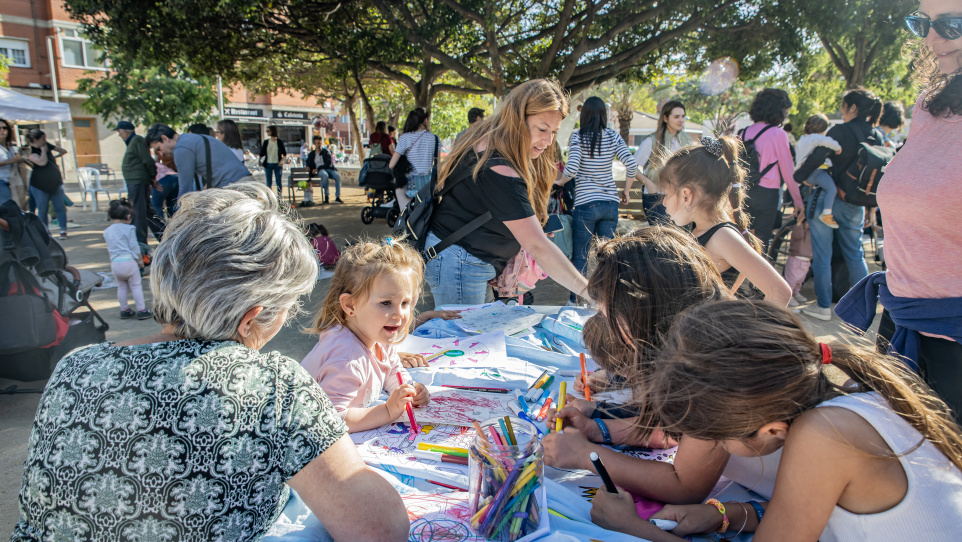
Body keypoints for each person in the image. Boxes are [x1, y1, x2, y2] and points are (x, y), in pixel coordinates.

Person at [10, 183, 410, 542]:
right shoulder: (274, 385)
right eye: (287, 307)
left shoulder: (74, 366)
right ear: (251, 319)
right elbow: (380, 529)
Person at [591, 300, 962, 541]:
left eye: (719, 441)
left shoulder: (824, 436)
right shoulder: (849, 392)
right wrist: (723, 515)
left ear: (771, 430)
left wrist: (633, 526)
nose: (717, 450)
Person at [544, 229, 734, 525]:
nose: (603, 320)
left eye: (608, 313)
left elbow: (685, 486)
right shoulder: (685, 352)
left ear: (643, 316)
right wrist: (595, 430)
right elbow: (668, 432)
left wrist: (587, 455)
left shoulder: (711, 373)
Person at [846, 2, 962, 418]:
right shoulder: (929, 104)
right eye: (922, 24)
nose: (932, 39)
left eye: (951, 24)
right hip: (903, 326)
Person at [423, 79, 590, 305]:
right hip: (461, 262)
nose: (548, 141)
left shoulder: (489, 138)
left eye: (554, 131)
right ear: (518, 119)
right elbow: (538, 245)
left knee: (476, 336)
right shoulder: (499, 168)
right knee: (464, 338)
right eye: (542, 129)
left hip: (468, 260)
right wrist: (590, 293)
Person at [301, 238, 431, 433]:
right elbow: (331, 420)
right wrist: (387, 411)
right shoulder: (346, 358)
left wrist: (408, 389)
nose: (399, 314)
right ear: (351, 306)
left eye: (405, 303)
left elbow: (393, 369)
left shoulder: (378, 335)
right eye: (386, 303)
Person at [657, 136, 792, 305]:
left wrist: (748, 330)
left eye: (666, 195)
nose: (663, 202)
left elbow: (779, 291)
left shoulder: (723, 237)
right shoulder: (704, 230)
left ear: (686, 195)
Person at [794, 89, 878, 321]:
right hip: (856, 204)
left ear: (852, 108)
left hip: (827, 201)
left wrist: (799, 176)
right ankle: (862, 309)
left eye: (843, 105)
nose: (841, 109)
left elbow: (817, 157)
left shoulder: (839, 131)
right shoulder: (876, 135)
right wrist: (872, 208)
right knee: (855, 255)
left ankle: (822, 308)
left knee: (822, 257)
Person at [559, 97, 638, 304]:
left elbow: (572, 168)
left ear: (584, 115)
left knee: (581, 256)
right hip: (610, 203)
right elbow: (631, 164)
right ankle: (605, 300)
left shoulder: (578, 136)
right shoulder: (613, 136)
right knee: (607, 257)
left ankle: (575, 301)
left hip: (586, 204)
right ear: (604, 115)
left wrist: (559, 181)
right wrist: (627, 192)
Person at [739, 89, 804, 252]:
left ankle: (740, 276)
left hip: (744, 191)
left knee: (742, 240)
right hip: (767, 194)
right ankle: (756, 277)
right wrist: (798, 201)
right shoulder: (778, 134)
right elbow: (788, 171)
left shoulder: (743, 133)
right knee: (761, 242)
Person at [145, 123, 255, 202]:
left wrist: (178, 215)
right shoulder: (193, 139)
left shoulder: (181, 148)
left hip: (236, 188)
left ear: (165, 139)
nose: (161, 154)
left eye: (159, 148)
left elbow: (185, 189)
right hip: (245, 183)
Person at [633, 101, 691, 226]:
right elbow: (632, 167)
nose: (681, 120)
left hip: (679, 198)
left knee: (678, 241)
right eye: (676, 117)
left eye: (683, 116)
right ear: (665, 118)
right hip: (656, 198)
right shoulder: (652, 140)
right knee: (663, 240)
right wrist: (649, 183)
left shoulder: (686, 140)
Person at [117, 120, 165, 244]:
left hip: (137, 182)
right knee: (147, 211)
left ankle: (141, 244)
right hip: (137, 181)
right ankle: (165, 236)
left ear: (126, 131)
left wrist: (153, 177)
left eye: (119, 131)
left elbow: (148, 161)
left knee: (137, 212)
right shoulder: (133, 142)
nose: (119, 135)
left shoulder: (137, 140)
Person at [103, 198, 151, 320]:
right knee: (136, 286)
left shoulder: (107, 231)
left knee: (121, 286)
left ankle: (124, 310)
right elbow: (134, 246)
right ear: (128, 215)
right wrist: (140, 261)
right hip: (129, 262)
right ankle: (142, 310)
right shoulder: (129, 229)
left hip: (115, 263)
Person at [794, 113, 842, 229]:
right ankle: (826, 213)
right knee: (832, 189)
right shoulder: (817, 138)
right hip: (816, 172)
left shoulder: (802, 139)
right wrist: (838, 149)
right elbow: (831, 143)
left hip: (803, 172)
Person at [389, 108, 439, 209]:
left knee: (399, 192)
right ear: (425, 120)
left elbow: (391, 165)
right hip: (428, 186)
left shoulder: (405, 138)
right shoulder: (434, 138)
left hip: (410, 185)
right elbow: (439, 166)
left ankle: (406, 219)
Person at [24, 129, 68, 240]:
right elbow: (42, 162)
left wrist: (55, 156)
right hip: (39, 185)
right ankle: (45, 232)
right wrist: (44, 151)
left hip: (55, 182)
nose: (45, 141)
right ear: (35, 140)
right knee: (42, 209)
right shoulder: (30, 151)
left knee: (60, 207)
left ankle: (63, 230)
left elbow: (63, 151)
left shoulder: (47, 145)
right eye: (43, 139)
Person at [306, 136, 342, 204]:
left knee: (337, 176)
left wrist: (318, 168)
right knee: (324, 175)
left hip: (328, 169)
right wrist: (308, 166)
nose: (319, 145)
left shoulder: (326, 151)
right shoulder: (312, 154)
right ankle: (326, 195)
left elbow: (328, 163)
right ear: (314, 144)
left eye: (320, 143)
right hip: (320, 171)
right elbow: (308, 162)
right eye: (318, 143)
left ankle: (337, 197)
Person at [0, 118, 24, 206]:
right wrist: (10, 161)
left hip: (14, 181)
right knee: (7, 210)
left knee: (17, 208)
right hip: (1, 182)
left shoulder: (10, 146)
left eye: (4, 128)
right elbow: (11, 161)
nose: (2, 130)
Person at [259, 125, 287, 198]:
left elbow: (284, 153)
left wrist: (281, 161)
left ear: (273, 131)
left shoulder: (279, 142)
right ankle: (269, 197)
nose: (267, 132)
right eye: (266, 131)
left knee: (278, 181)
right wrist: (259, 160)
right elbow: (262, 153)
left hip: (277, 164)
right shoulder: (266, 142)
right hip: (268, 164)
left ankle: (279, 197)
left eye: (268, 131)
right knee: (269, 182)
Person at [151, 151, 179, 219]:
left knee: (155, 205)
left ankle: (160, 226)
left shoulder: (150, 165)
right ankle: (177, 226)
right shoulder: (158, 163)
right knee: (172, 205)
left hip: (161, 179)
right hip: (176, 177)